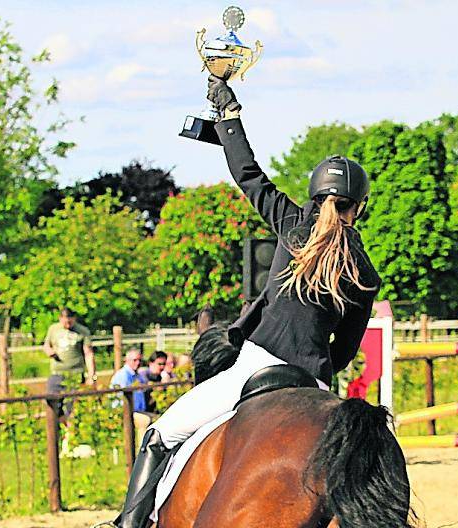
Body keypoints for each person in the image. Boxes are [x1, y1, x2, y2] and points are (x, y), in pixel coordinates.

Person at [107, 76, 381, 527]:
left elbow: (247, 174)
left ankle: (128, 524)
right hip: (314, 384)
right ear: (361, 206)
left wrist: (228, 116)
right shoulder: (364, 273)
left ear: (314, 194)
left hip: (253, 368)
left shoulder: (291, 225)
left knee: (159, 435)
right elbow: (346, 351)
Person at [43, 307, 95, 418]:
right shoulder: (53, 329)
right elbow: (46, 345)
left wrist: (91, 375)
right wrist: (49, 351)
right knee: (52, 404)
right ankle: (56, 429)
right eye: (65, 322)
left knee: (73, 407)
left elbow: (88, 353)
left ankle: (70, 432)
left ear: (74, 319)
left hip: (75, 374)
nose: (68, 324)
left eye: (70, 321)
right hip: (57, 373)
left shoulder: (83, 331)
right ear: (60, 319)